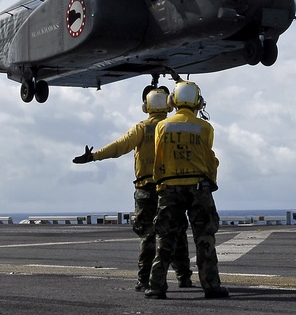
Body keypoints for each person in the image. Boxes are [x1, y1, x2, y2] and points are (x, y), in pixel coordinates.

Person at [73, 88, 193, 292]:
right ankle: (183, 277)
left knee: (147, 235)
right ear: (169, 104)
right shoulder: (174, 128)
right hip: (171, 189)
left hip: (146, 189)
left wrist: (94, 156)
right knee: (176, 232)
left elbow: (120, 146)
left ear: (146, 106)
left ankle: (144, 279)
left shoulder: (142, 128)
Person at [145, 81, 229, 300]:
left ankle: (156, 286)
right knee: (205, 238)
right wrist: (211, 182)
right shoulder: (205, 128)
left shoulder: (162, 126)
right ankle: (211, 286)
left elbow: (158, 158)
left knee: (165, 238)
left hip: (169, 188)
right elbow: (209, 160)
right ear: (198, 102)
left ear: (172, 101)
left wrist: (160, 184)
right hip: (199, 188)